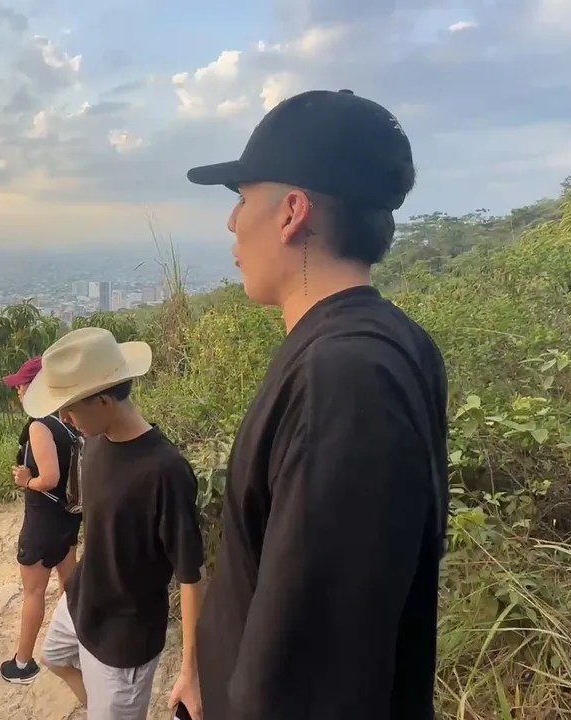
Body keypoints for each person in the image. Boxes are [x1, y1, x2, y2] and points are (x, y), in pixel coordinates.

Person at [185, 89, 449, 719]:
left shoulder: (343, 378)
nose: (231, 223)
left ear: (292, 212)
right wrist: (200, 672)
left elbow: (311, 674)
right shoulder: (384, 343)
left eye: (242, 198)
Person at [24, 327, 206, 720]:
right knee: (53, 657)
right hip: (82, 601)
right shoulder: (95, 439)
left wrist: (190, 671)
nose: (63, 418)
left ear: (104, 401)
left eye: (71, 408)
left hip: (124, 639)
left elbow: (192, 576)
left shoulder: (165, 471)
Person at [0, 356, 83, 685]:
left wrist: (26, 481)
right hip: (68, 514)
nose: (18, 392)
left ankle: (22, 663)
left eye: (21, 386)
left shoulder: (39, 425)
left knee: (34, 593)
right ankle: (79, 644)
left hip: (42, 521)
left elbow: (49, 478)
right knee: (69, 584)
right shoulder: (67, 418)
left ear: (35, 388)